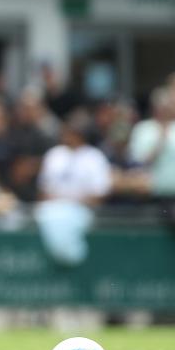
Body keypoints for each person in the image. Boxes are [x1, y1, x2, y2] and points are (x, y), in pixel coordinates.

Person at [35, 110, 112, 266]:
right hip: (53, 210)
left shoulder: (94, 157)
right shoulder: (54, 155)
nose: (67, 134)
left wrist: (72, 201)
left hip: (82, 212)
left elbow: (100, 194)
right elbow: (43, 191)